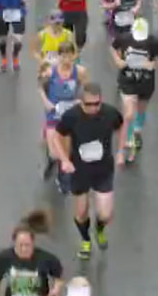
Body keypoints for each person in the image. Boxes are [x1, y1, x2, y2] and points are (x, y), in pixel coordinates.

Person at [50, 82, 124, 260]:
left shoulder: (110, 113)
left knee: (105, 213)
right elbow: (56, 137)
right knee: (81, 212)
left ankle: (99, 229)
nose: (93, 108)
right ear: (80, 102)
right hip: (80, 170)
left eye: (96, 104)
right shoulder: (72, 116)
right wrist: (65, 160)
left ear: (101, 101)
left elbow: (121, 127)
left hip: (103, 169)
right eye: (88, 104)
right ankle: (85, 239)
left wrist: (121, 150)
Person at [111, 17, 158, 160]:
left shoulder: (153, 42)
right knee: (129, 113)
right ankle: (128, 141)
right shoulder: (124, 38)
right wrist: (118, 60)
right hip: (127, 80)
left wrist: (153, 64)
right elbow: (113, 47)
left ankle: (137, 131)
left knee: (141, 110)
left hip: (146, 82)